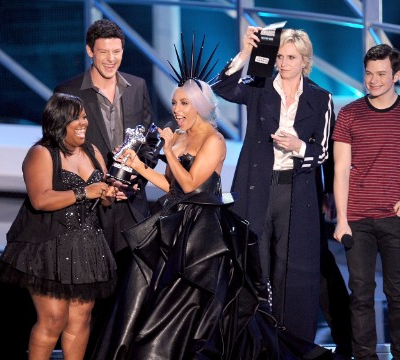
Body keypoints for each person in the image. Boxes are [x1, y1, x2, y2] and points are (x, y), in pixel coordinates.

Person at [88, 35, 333, 360]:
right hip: (191, 214)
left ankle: (281, 343)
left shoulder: (216, 139)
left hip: (212, 225)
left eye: (184, 103)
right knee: (152, 291)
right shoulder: (258, 90)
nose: (176, 110)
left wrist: (298, 147)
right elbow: (173, 185)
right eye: (174, 103)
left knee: (255, 284)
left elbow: (189, 185)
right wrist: (138, 165)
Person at [212, 26, 334, 343]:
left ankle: (292, 340)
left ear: (304, 60)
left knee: (292, 269)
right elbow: (222, 87)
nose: (283, 62)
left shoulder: (321, 98)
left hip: (297, 189)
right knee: (257, 265)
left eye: (290, 57)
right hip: (258, 186)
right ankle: (256, 339)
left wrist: (297, 146)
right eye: (279, 56)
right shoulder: (259, 87)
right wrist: (245, 53)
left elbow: (323, 150)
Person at [53, 19, 159, 357]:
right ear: (89, 52)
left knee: (129, 295)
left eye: (116, 52)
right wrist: (95, 184)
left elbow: (149, 142)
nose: (111, 59)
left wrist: (137, 179)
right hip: (89, 209)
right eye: (103, 52)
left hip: (130, 205)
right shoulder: (68, 91)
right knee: (88, 300)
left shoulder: (138, 86)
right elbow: (60, 150)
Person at [332, 43, 400, 360]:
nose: (373, 80)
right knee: (360, 294)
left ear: (397, 75)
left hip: (396, 217)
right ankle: (365, 358)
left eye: (381, 74)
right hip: (357, 219)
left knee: (398, 292)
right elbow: (340, 169)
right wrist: (342, 219)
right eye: (368, 73)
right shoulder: (349, 114)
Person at [0, 93, 118, 359]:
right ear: (59, 121)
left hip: (87, 247)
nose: (84, 123)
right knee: (53, 319)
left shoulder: (93, 151)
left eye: (84, 117)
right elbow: (40, 200)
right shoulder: (41, 153)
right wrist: (86, 192)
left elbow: (103, 199)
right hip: (47, 247)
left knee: (81, 318)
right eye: (77, 118)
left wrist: (108, 196)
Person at [315, 121, 353, 360]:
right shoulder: (263, 89)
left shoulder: (316, 96)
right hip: (268, 192)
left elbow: (328, 139)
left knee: (321, 265)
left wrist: (329, 190)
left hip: (308, 192)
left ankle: (347, 337)